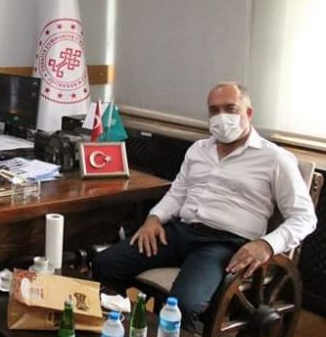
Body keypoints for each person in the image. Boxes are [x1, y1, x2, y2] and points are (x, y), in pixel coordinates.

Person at [92, 82, 317, 333]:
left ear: (249, 113)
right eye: (214, 110)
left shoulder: (274, 159)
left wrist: (266, 245)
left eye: (230, 109)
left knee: (184, 305)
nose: (221, 116)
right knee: (105, 263)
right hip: (180, 232)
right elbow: (177, 194)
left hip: (224, 245)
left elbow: (304, 217)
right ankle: (121, 328)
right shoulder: (199, 150)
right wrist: (154, 218)